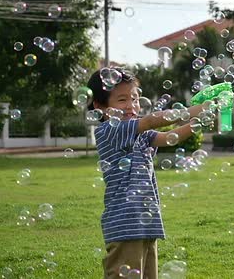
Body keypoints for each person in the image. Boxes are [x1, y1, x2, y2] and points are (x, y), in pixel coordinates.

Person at [87, 67, 207, 279]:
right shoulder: (109, 130)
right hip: (124, 222)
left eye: (134, 99)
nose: (131, 106)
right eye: (122, 100)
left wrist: (197, 122)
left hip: (146, 220)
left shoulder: (139, 133)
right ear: (99, 106)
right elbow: (152, 120)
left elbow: (171, 136)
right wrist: (192, 111)